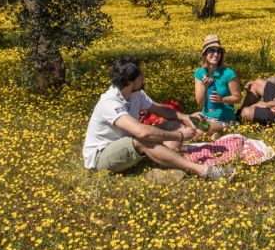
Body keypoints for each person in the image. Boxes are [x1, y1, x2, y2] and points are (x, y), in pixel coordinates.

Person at [83, 56, 234, 181]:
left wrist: (185, 118)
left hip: (128, 145)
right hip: (101, 157)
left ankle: (169, 157)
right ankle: (203, 171)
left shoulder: (136, 94)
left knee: (174, 123)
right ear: (130, 82)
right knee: (143, 139)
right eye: (140, 76)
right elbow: (142, 133)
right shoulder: (109, 102)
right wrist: (179, 135)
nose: (143, 78)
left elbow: (162, 110)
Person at [193, 34, 242, 134]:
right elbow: (200, 102)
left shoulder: (228, 73)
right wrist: (204, 86)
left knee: (198, 131)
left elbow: (238, 98)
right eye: (212, 50)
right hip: (206, 116)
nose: (216, 54)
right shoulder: (199, 73)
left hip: (225, 120)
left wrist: (222, 99)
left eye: (218, 51)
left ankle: (217, 133)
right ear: (205, 54)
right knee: (185, 123)